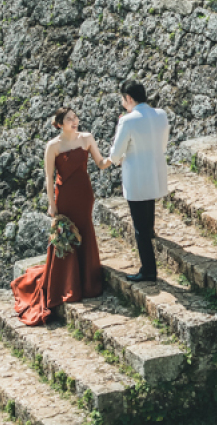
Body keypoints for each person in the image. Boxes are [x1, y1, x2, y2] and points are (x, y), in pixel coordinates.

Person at [11, 106, 110, 325]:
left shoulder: (86, 138)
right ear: (59, 124)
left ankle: (86, 282)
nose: (75, 121)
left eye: (75, 117)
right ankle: (65, 284)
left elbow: (100, 163)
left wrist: (115, 157)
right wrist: (52, 205)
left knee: (85, 232)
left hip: (85, 195)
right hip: (64, 196)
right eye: (69, 119)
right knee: (64, 239)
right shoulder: (53, 146)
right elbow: (48, 177)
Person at [107, 80, 169, 283]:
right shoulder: (161, 114)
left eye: (123, 99)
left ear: (129, 98)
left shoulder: (127, 120)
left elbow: (116, 153)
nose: (123, 103)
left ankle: (148, 269)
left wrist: (116, 159)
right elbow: (163, 144)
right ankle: (151, 232)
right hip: (156, 167)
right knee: (149, 205)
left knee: (139, 226)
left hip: (136, 173)